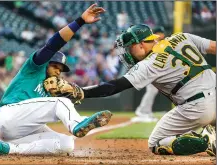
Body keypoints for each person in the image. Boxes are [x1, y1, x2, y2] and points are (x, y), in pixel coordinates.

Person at [0, 4, 112, 155]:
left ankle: (9, 149)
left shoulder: (52, 89)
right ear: (46, 62)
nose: (58, 71)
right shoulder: (35, 67)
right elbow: (54, 43)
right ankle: (77, 123)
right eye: (55, 66)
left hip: (16, 133)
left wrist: (77, 92)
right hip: (10, 116)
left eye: (61, 70)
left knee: (67, 144)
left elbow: (70, 95)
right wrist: (80, 21)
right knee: (61, 103)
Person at [82, 24, 216, 156]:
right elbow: (214, 47)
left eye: (129, 47)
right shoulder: (182, 37)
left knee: (155, 143)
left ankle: (206, 141)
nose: (127, 52)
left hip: (199, 107)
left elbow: (113, 87)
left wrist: (81, 92)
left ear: (141, 44)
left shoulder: (148, 65)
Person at [131, 26, 166, 123]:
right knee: (151, 90)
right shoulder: (152, 43)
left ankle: (146, 111)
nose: (162, 35)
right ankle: (142, 111)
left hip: (155, 70)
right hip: (150, 69)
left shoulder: (157, 43)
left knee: (152, 91)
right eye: (160, 33)